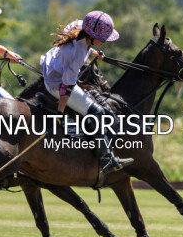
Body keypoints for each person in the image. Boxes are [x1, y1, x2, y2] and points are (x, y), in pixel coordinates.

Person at [41, 10, 134, 180]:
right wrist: (59, 113)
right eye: (103, 39)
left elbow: (82, 46)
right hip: (56, 82)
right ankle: (106, 159)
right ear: (91, 36)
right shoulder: (77, 55)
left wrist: (93, 52)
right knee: (98, 113)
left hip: (52, 63)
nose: (105, 42)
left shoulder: (80, 26)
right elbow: (67, 87)